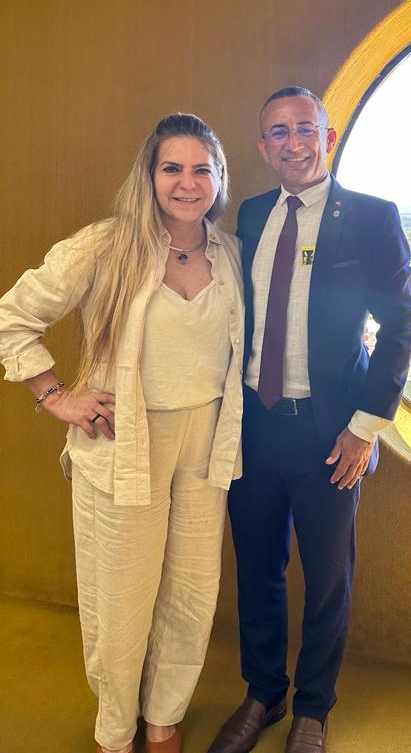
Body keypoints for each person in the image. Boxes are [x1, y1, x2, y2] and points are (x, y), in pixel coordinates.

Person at [0, 114, 244, 753]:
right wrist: (56, 396)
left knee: (191, 590)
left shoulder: (229, 252)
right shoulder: (105, 246)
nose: (187, 183)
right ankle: (115, 730)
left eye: (201, 170)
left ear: (219, 177)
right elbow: (11, 317)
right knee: (122, 597)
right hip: (125, 442)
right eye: (172, 168)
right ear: (149, 175)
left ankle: (163, 715)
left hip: (207, 441)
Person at [208, 87, 411, 753]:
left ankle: (313, 710)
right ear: (262, 146)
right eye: (278, 132)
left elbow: (401, 328)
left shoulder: (372, 218)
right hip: (254, 426)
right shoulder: (250, 214)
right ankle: (263, 693)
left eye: (305, 129)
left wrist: (364, 428)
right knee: (257, 570)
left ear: (327, 138)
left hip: (331, 435)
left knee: (328, 579)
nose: (293, 143)